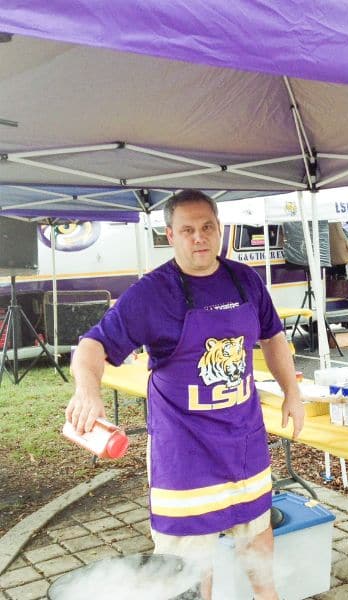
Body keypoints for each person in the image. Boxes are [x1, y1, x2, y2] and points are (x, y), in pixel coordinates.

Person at [66, 190, 305, 600]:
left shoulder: (244, 279)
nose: (200, 238)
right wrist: (88, 391)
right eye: (188, 230)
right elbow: (90, 346)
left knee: (259, 539)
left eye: (207, 227)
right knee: (190, 570)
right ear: (170, 235)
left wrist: (292, 392)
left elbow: (273, 337)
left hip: (243, 440)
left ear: (220, 229)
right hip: (185, 451)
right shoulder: (151, 294)